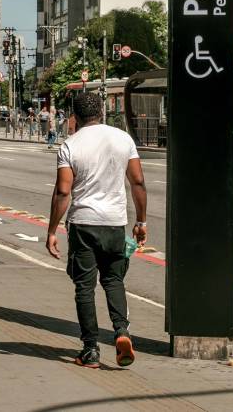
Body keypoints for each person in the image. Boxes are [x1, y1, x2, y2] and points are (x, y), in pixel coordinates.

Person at [46, 93, 147, 369]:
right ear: (101, 112)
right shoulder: (123, 139)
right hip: (115, 223)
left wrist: (52, 230)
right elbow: (138, 182)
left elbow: (63, 191)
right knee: (114, 281)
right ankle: (122, 332)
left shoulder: (70, 145)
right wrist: (141, 221)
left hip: (84, 224)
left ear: (74, 117)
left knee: (84, 288)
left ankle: (90, 350)